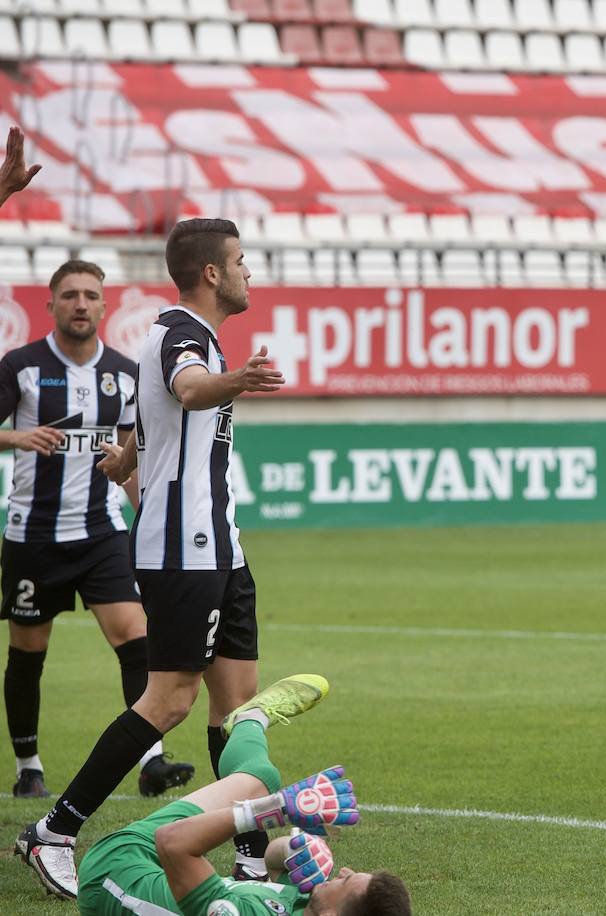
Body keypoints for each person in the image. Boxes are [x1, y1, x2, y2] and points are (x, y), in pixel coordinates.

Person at [17, 218, 285, 899]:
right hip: (183, 545)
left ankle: (250, 859)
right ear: (213, 275)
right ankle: (54, 828)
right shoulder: (182, 335)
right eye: (242, 261)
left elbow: (149, 416)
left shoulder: (179, 337)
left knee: (237, 703)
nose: (250, 272)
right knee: (169, 700)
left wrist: (127, 460)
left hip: (219, 543)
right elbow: (192, 390)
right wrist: (240, 380)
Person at [0, 259, 194, 800]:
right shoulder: (22, 366)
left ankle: (151, 760)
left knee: (138, 640)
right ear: (52, 305)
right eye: (70, 295)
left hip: (101, 530)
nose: (80, 303)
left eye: (90, 295)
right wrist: (17, 438)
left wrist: (146, 513)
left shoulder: (125, 374)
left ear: (105, 306)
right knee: (28, 654)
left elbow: (133, 455)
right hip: (32, 536)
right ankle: (29, 765)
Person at [76, 672, 413, 915]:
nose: (344, 871)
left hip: (115, 871)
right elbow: (272, 866)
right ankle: (250, 719)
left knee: (260, 780)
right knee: (259, 783)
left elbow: (172, 843)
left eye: (346, 882)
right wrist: (297, 849)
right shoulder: (310, 907)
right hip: (146, 866)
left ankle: (250, 718)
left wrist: (275, 809)